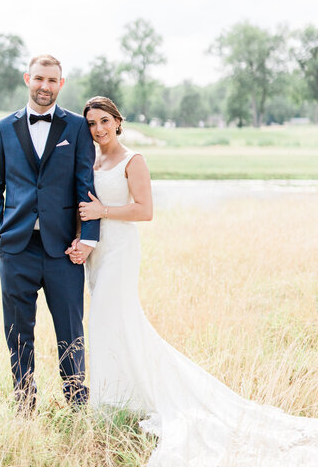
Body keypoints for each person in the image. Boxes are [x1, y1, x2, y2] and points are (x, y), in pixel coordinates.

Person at [67, 96, 318, 466]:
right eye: (91, 123)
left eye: (104, 121)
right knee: (108, 326)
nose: (98, 129)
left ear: (118, 122)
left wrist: (103, 210)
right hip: (97, 253)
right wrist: (80, 239)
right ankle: (119, 398)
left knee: (109, 318)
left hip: (120, 250)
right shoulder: (91, 159)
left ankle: (121, 400)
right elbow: (83, 205)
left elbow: (145, 210)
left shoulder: (132, 160)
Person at [0, 55, 100, 412]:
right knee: (18, 331)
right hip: (16, 247)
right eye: (39, 79)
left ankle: (78, 404)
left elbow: (86, 185)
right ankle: (25, 404)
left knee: (71, 330)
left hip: (63, 248)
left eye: (52, 80)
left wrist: (89, 238)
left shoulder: (77, 127)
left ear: (61, 84)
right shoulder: (4, 128)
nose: (45, 86)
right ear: (27, 79)